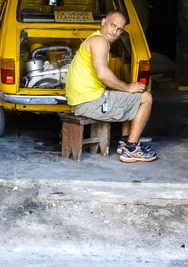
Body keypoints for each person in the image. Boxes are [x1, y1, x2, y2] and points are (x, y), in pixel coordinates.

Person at [65, 10, 156, 163]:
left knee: (128, 94)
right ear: (103, 22)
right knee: (146, 97)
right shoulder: (99, 41)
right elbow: (103, 74)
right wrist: (127, 87)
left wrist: (125, 88)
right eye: (113, 25)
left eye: (120, 29)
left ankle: (124, 141)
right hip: (89, 101)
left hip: (84, 99)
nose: (116, 31)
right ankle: (132, 149)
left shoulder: (95, 39)